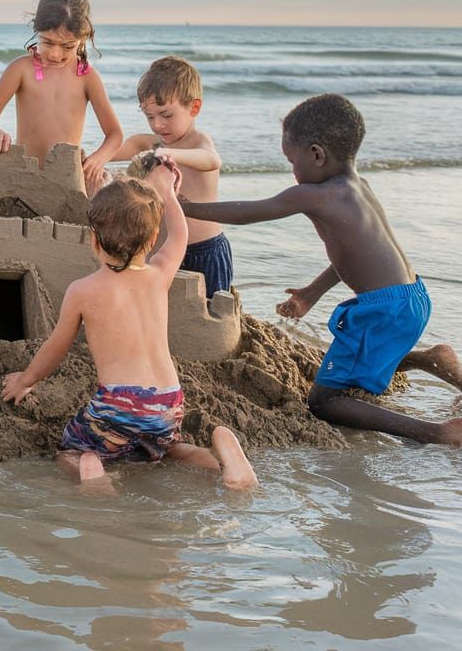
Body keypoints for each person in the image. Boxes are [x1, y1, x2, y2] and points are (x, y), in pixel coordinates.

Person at [181, 93, 462, 445]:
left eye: (292, 161)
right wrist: (310, 294)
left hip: (384, 312)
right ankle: (433, 359)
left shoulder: (315, 194)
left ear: (316, 154)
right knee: (362, 361)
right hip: (411, 297)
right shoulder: (359, 188)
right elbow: (350, 255)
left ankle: (438, 432)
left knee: (325, 400)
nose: (292, 171)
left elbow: (250, 211)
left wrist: (187, 208)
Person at [1, 158, 257, 489]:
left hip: (118, 405)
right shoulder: (160, 274)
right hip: (168, 402)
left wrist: (24, 381)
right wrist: (168, 192)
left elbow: (56, 347)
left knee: (72, 450)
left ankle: (93, 470)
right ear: (151, 240)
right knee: (166, 451)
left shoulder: (83, 291)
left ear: (94, 241)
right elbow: (180, 234)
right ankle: (220, 462)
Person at [0, 0, 124, 194]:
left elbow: (115, 134)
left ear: (83, 38)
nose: (55, 54)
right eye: (47, 42)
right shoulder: (21, 69)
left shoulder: (87, 77)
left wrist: (97, 159)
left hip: (68, 180)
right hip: (26, 177)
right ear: (36, 30)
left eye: (67, 46)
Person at [118, 56, 231, 298]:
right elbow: (119, 148)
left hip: (203, 251)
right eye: (150, 117)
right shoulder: (149, 143)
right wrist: (88, 158)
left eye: (166, 115)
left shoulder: (198, 142)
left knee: (209, 311)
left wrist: (168, 154)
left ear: (194, 108)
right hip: (163, 252)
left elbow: (212, 160)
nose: (158, 125)